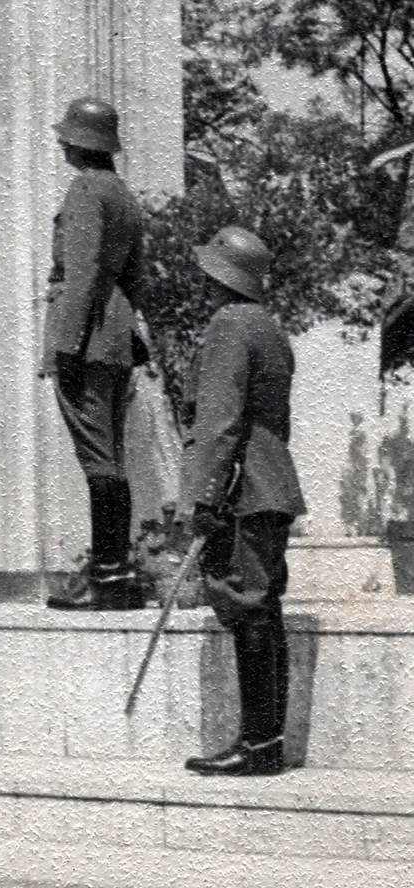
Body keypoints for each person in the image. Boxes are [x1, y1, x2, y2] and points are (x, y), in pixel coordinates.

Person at [181, 226, 306, 777]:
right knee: (262, 608)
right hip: (271, 484)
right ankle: (264, 743)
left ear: (218, 277)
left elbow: (220, 421)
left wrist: (205, 497)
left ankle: (257, 748)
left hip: (243, 488)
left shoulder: (229, 325)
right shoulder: (269, 328)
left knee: (249, 607)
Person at [43, 97, 145, 611]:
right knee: (112, 456)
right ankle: (117, 574)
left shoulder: (85, 191)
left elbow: (81, 277)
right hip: (115, 336)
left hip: (84, 338)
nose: (61, 143)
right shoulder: (124, 195)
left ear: (82, 143)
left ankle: (108, 579)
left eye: (68, 136)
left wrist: (64, 344)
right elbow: (134, 278)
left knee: (99, 459)